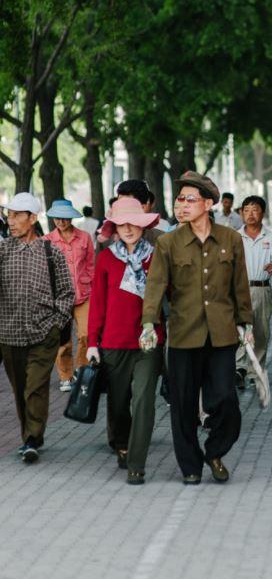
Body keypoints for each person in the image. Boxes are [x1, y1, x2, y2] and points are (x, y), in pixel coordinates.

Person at [141, 171, 253, 485]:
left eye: (190, 200)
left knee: (226, 400)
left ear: (207, 203)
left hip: (221, 335)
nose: (182, 205)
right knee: (183, 405)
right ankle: (190, 466)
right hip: (183, 335)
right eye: (179, 200)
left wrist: (246, 323)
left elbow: (239, 286)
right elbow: (156, 286)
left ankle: (215, 451)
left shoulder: (230, 239)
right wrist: (148, 322)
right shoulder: (168, 242)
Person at [87, 196, 164, 485]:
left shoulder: (157, 256)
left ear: (143, 225)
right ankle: (121, 442)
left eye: (133, 223)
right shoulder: (106, 258)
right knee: (118, 403)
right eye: (122, 224)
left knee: (143, 400)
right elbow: (97, 303)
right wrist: (92, 341)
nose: (128, 228)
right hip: (114, 343)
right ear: (115, 228)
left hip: (149, 341)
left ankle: (136, 461)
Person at [0, 192, 74, 463]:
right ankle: (30, 436)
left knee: (36, 387)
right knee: (20, 390)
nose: (12, 221)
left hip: (44, 333)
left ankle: (32, 439)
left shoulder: (50, 251)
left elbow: (67, 291)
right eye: (9, 215)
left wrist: (57, 322)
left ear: (32, 219)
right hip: (8, 334)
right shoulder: (3, 250)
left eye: (17, 215)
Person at [44, 199, 95, 391]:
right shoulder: (46, 241)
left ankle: (82, 372)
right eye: (57, 217)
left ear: (70, 217)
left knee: (86, 335)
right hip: (59, 299)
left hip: (84, 294)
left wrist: (90, 282)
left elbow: (91, 264)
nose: (60, 221)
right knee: (62, 340)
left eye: (64, 217)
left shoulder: (84, 237)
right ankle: (66, 376)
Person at [235, 195, 272, 389]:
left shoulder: (271, 238)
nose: (250, 214)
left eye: (254, 210)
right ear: (241, 213)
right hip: (239, 290)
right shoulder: (234, 237)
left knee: (260, 331)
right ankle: (239, 369)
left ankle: (256, 371)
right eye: (246, 210)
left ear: (262, 213)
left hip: (262, 289)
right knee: (239, 329)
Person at [97, 180, 164, 253]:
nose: (121, 208)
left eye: (129, 205)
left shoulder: (161, 241)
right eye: (119, 203)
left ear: (143, 207)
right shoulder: (106, 241)